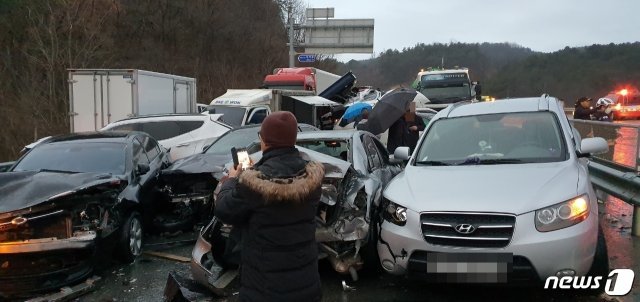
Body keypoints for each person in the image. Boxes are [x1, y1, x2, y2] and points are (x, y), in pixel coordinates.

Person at [214, 111, 323, 302]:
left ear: (264, 141)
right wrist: (255, 172)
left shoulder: (253, 184)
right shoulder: (311, 179)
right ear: (293, 139)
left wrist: (232, 180)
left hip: (264, 290)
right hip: (306, 285)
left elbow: (224, 209)